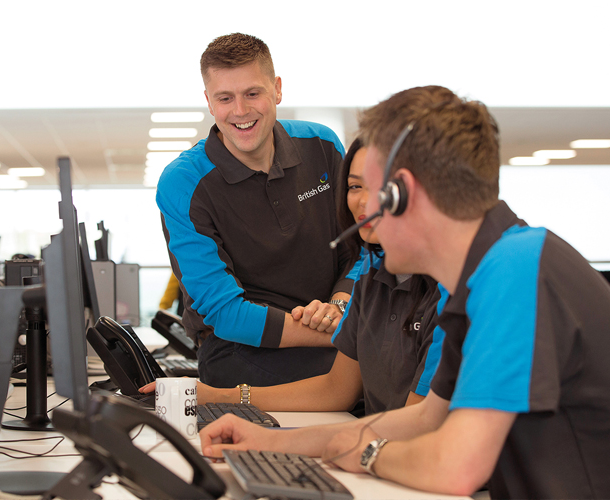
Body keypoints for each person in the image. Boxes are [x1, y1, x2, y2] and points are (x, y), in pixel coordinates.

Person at [200, 86, 610, 499]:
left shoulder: (514, 272)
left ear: (399, 195)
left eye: (369, 188)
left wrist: (367, 453)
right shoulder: (476, 278)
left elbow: (455, 468)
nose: (360, 210)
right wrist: (266, 442)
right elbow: (425, 419)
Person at [146, 139, 445, 415]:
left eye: (381, 187)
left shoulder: (447, 288)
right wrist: (213, 396)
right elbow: (336, 390)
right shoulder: (372, 275)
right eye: (354, 187)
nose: (364, 202)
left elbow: (418, 425)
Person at [156, 33, 352, 388]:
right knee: (368, 375)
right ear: (209, 103)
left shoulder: (323, 146)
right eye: (225, 98)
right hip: (241, 351)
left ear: (277, 89)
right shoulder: (182, 183)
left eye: (253, 93)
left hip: (335, 326)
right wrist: (343, 333)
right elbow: (225, 314)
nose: (241, 111)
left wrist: (339, 307)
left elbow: (362, 251)